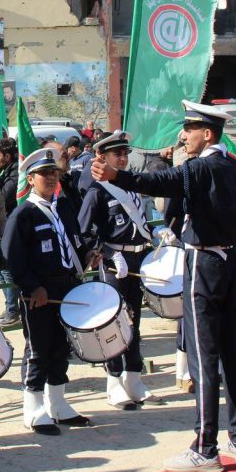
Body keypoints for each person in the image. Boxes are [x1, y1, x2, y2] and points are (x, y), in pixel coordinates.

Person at [92, 100, 236, 472]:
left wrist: (116, 176)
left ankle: (205, 446)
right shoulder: (235, 166)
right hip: (231, 262)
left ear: (207, 134)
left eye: (190, 129)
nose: (184, 136)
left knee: (203, 355)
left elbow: (156, 182)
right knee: (232, 351)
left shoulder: (200, 167)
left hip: (205, 262)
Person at [4, 148, 96, 436]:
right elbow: (13, 257)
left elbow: (74, 241)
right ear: (31, 179)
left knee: (61, 346)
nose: (52, 177)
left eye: (54, 172)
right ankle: (32, 408)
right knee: (38, 348)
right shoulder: (24, 214)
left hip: (66, 285)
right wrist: (32, 287)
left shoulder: (63, 207)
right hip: (40, 292)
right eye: (44, 173)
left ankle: (57, 404)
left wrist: (88, 254)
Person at [78, 131, 162, 409]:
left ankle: (134, 378)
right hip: (114, 263)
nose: (123, 159)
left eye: (125, 153)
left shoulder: (130, 185)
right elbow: (83, 232)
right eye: (117, 154)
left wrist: (156, 232)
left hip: (137, 259)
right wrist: (108, 252)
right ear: (102, 157)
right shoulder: (97, 191)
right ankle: (113, 382)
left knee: (134, 320)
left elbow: (139, 223)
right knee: (113, 322)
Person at [0, 137, 21, 325]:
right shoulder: (4, 170)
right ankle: (10, 307)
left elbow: (2, 198)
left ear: (7, 156)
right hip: (1, 226)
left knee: (7, 270)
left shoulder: (16, 172)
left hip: (11, 226)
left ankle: (13, 311)